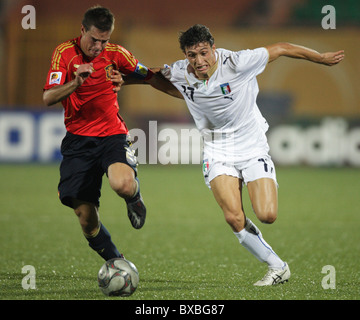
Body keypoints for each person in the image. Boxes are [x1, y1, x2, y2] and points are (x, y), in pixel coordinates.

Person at [148, 24, 344, 286]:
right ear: (185, 55)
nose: (199, 61)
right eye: (192, 55)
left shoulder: (238, 62)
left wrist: (319, 58)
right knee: (233, 216)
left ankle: (259, 185)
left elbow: (283, 48)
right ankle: (277, 266)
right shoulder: (182, 70)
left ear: (213, 48)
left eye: (204, 53)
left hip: (251, 147)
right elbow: (152, 76)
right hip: (217, 151)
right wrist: (118, 79)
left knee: (267, 215)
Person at [43, 6, 178, 262]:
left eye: (104, 41)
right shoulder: (64, 53)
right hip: (78, 141)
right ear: (83, 30)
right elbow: (48, 96)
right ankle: (116, 262)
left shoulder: (117, 54)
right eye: (94, 40)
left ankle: (134, 197)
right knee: (85, 218)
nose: (98, 46)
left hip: (111, 134)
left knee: (122, 184)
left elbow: (148, 75)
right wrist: (75, 83)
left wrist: (183, 97)